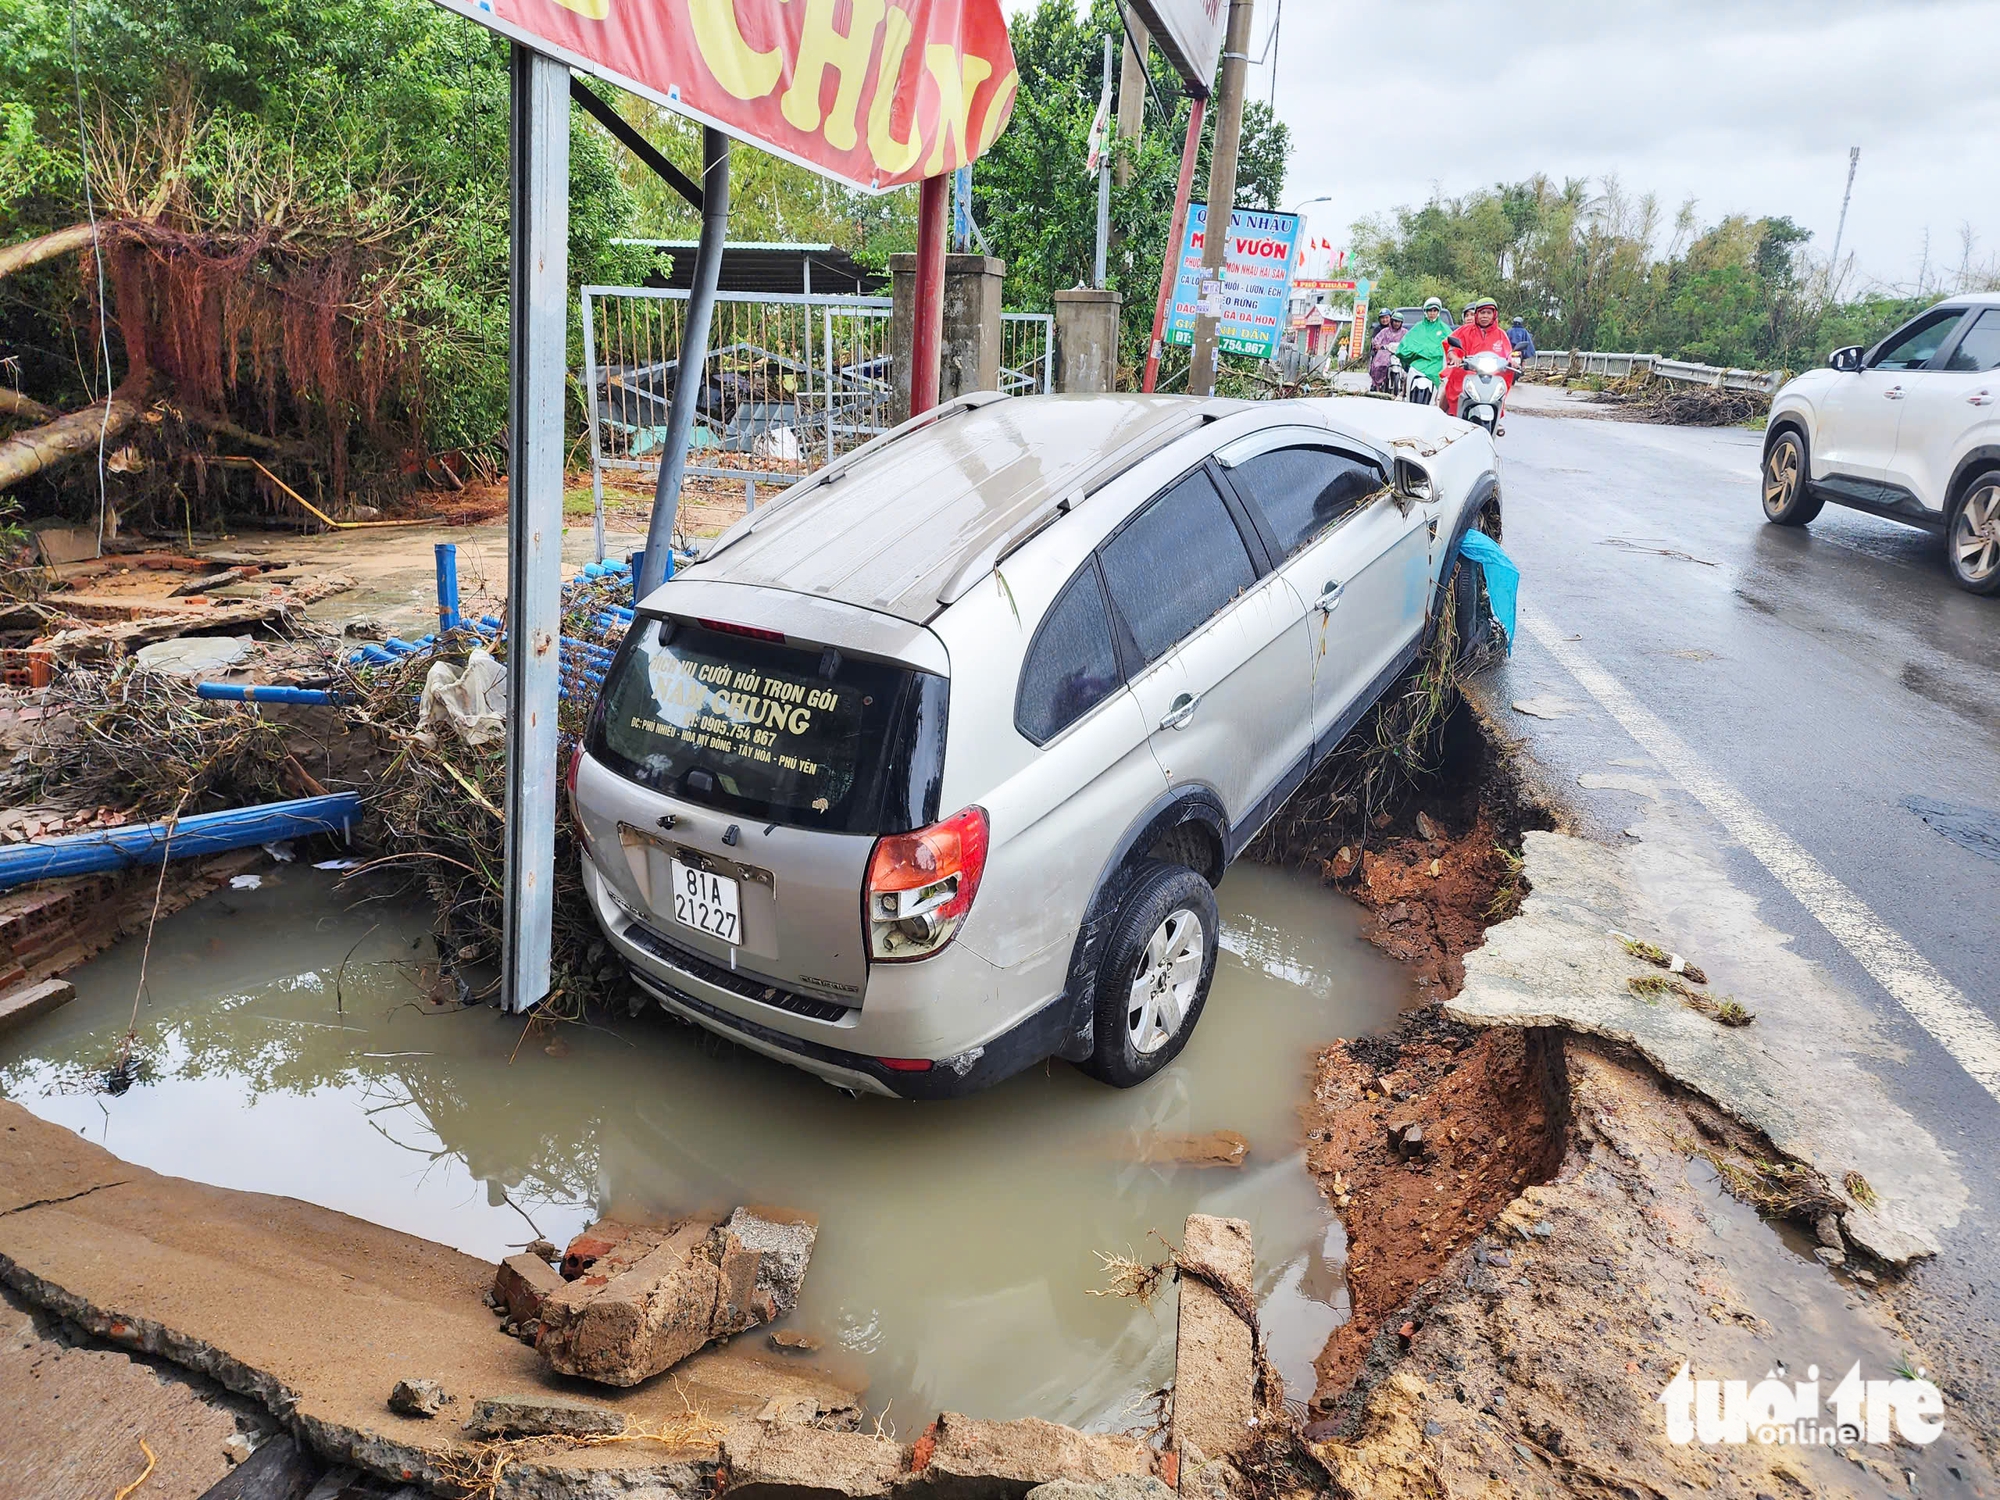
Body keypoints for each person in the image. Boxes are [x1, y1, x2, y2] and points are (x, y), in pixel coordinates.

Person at [1442, 296, 1519, 419]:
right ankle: (1442, 416)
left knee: (1499, 391)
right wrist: (1454, 356)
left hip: (1492, 375)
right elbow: (1450, 344)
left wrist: (1512, 362)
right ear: (1477, 314)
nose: (1485, 316)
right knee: (1450, 387)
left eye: (1489, 313)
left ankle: (1496, 416)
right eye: (1482, 312)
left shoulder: (1501, 334)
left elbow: (1508, 353)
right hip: (1466, 372)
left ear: (1494, 315)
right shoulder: (1465, 330)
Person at [1395, 298, 1452, 401]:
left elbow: (1451, 346)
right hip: (1419, 363)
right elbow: (1405, 345)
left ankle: (1439, 403)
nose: (1432, 313)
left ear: (1438, 312)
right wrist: (1421, 352)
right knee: (1410, 372)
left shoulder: (1444, 329)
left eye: (1435, 310)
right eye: (1430, 310)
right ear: (1425, 311)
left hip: (1437, 364)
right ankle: (1404, 393)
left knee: (1446, 386)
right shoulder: (1418, 327)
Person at [1368, 311, 1403, 392]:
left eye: (1399, 322)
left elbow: (1409, 341)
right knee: (1378, 365)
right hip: (1384, 353)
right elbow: (1376, 340)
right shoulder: (1384, 331)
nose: (1396, 324)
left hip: (1399, 354)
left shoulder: (1404, 332)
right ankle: (1377, 385)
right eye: (1395, 321)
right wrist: (1378, 345)